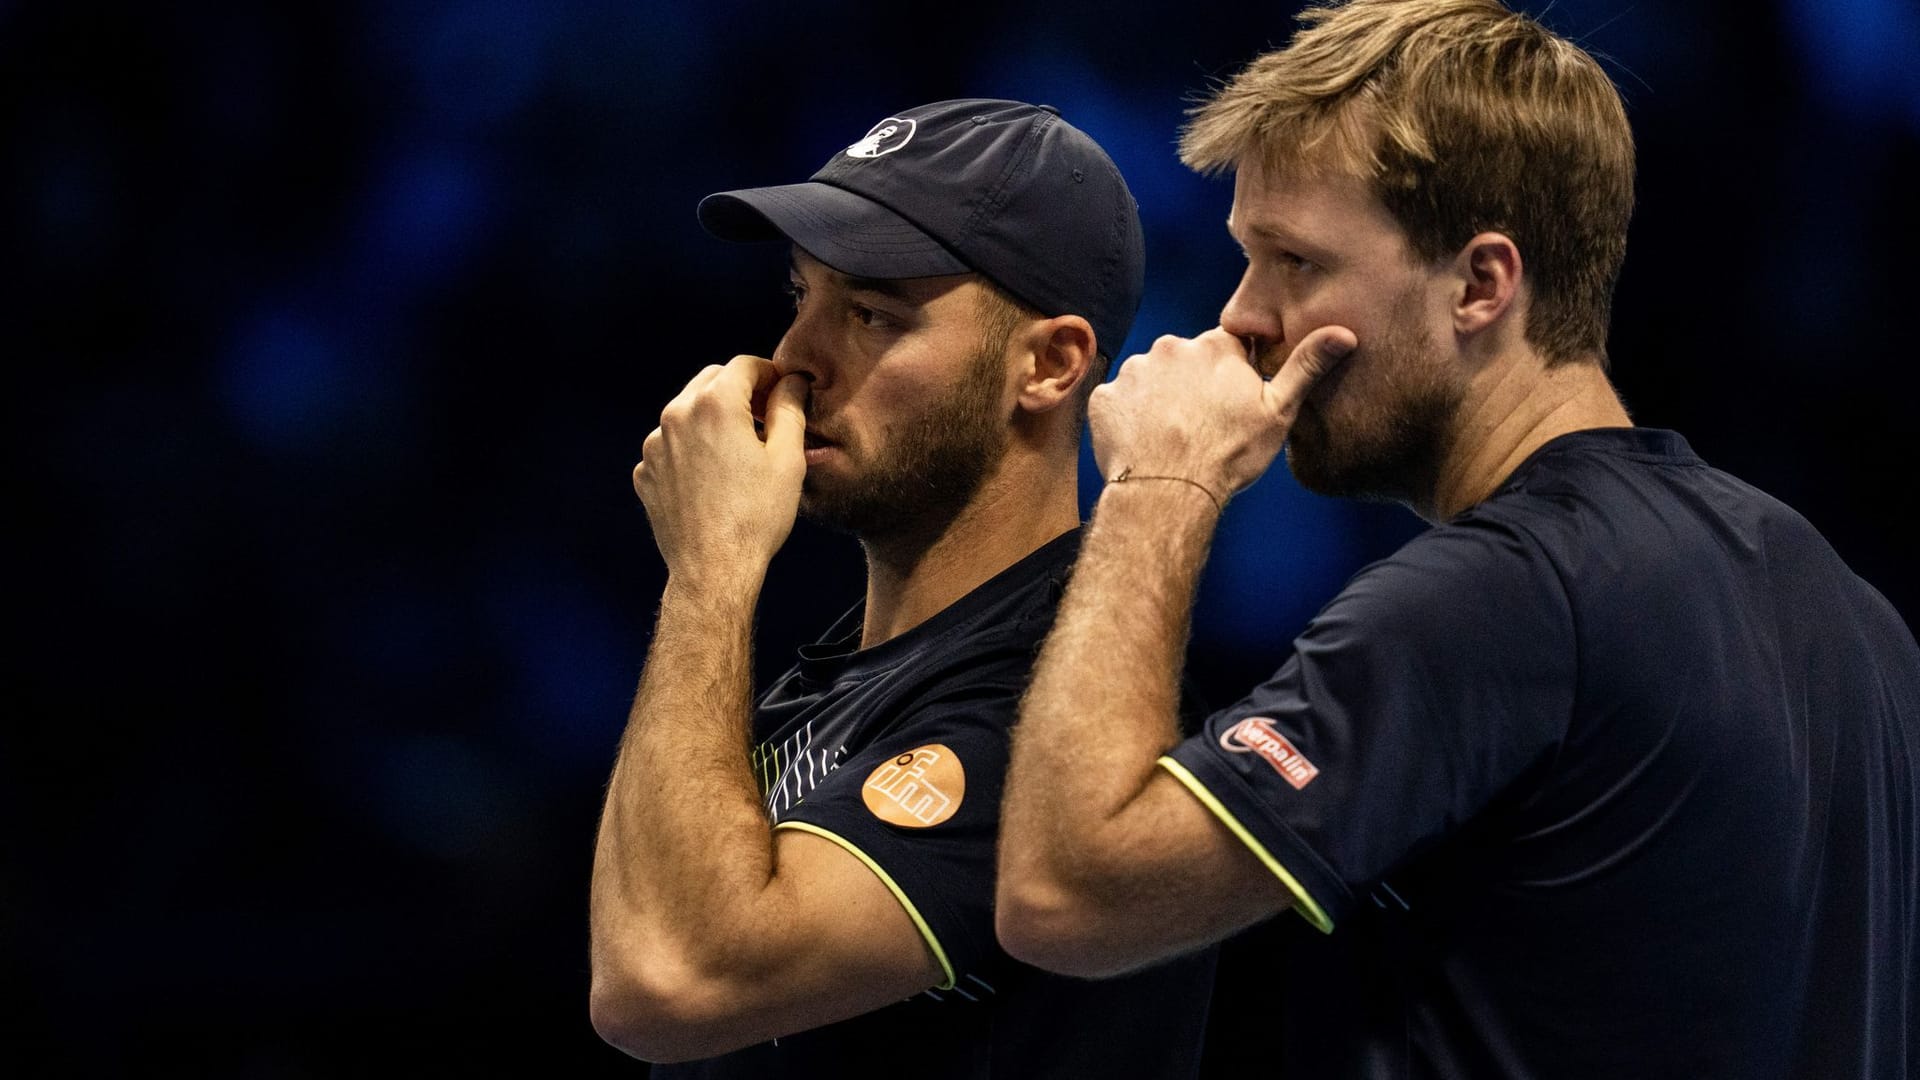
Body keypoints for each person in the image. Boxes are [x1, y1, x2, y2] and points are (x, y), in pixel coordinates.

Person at [992, 2, 1920, 1078]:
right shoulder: (1855, 617)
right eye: (1249, 259)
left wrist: (1157, 487)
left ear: (1481, 285)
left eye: (1294, 262)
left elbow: (1065, 893)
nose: (1242, 317)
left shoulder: (1505, 595)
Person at [587, 98, 1217, 1076]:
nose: (796, 357)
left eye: (872, 312)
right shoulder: (837, 673)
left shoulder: (1057, 710)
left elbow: (668, 981)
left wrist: (709, 570)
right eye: (801, 294)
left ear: (1050, 366)